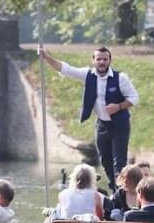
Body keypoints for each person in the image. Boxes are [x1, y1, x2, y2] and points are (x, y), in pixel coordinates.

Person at [38, 45, 139, 191]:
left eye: (105, 59)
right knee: (105, 161)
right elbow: (64, 69)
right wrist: (46, 57)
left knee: (119, 162)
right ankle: (114, 190)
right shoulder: (88, 75)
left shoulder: (120, 78)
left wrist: (118, 106)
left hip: (120, 123)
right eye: (99, 59)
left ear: (109, 60)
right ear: (93, 61)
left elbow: (134, 98)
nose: (102, 62)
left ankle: (122, 196)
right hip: (102, 125)